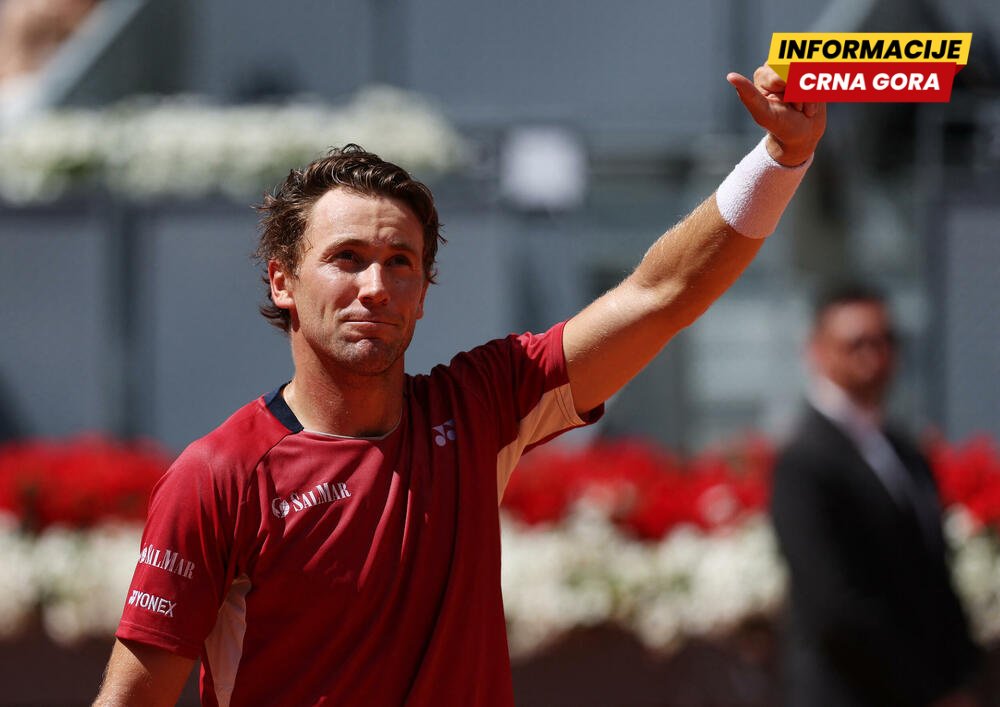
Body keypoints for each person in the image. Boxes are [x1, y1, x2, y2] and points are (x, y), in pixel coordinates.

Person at [94, 65, 825, 706]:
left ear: (423, 291)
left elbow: (660, 294)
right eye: (346, 258)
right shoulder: (216, 476)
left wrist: (782, 158)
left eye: (400, 262)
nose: (375, 286)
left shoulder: (481, 406)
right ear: (282, 281)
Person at [770, 284, 981, 707]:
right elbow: (835, 606)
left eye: (884, 342)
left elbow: (934, 573)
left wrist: (961, 678)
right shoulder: (804, 461)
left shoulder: (903, 450)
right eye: (856, 344)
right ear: (817, 351)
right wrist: (928, 690)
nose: (873, 357)